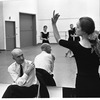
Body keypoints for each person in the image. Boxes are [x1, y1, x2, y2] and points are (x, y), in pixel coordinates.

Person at [51, 10, 100, 97]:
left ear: (84, 31)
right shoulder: (97, 45)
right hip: (96, 81)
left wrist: (54, 24)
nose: (75, 28)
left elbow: (58, 39)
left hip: (82, 82)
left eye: (77, 27)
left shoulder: (76, 46)